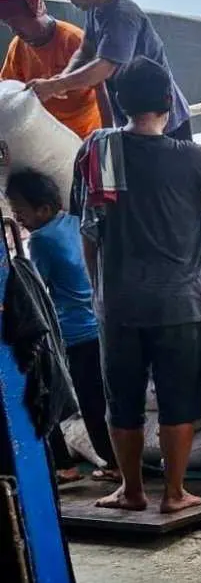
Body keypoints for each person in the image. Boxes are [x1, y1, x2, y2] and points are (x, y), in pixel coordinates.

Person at [71, 57, 201, 513]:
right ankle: (174, 493)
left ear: (117, 101)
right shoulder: (189, 157)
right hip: (177, 304)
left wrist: (99, 291)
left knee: (123, 400)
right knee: (177, 399)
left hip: (119, 303)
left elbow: (90, 228)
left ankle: (131, 490)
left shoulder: (100, 151)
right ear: (169, 102)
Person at [6, 169, 119, 483]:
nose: (19, 218)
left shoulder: (41, 240)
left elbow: (35, 289)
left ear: (42, 209)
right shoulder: (73, 223)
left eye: (19, 212)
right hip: (98, 325)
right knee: (104, 397)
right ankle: (114, 459)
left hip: (72, 333)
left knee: (85, 400)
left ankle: (104, 464)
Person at [31, 0, 193, 140]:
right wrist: (60, 80)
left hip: (163, 120)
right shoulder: (95, 9)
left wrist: (55, 87)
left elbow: (104, 68)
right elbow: (85, 51)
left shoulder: (122, 16)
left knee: (172, 170)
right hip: (133, 120)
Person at [0, 0, 102, 139]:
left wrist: (108, 138)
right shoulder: (18, 45)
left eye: (17, 22)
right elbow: (7, 88)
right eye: (8, 25)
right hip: (40, 134)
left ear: (37, 10)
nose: (14, 30)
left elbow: (103, 89)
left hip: (82, 135)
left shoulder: (74, 40)